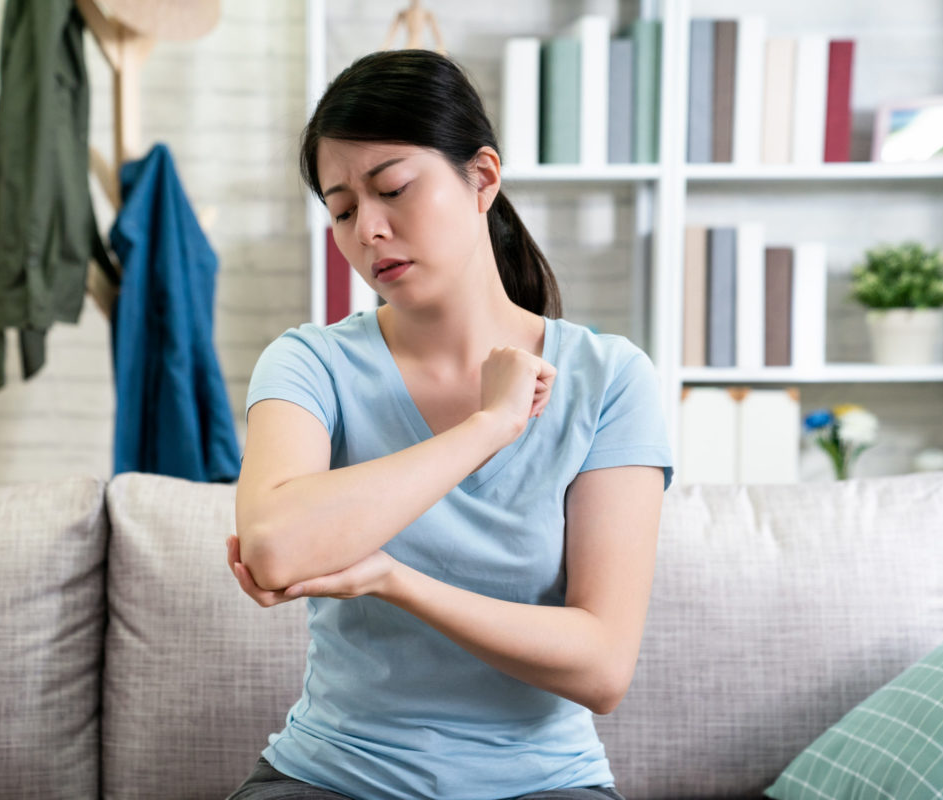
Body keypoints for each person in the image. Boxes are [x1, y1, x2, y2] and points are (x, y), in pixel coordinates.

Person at [225, 49, 674, 800]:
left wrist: (396, 580)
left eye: (393, 188)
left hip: (542, 783)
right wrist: (486, 427)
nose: (367, 229)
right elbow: (273, 549)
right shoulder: (309, 364)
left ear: (482, 179)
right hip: (332, 776)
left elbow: (602, 666)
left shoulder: (610, 379)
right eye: (341, 209)